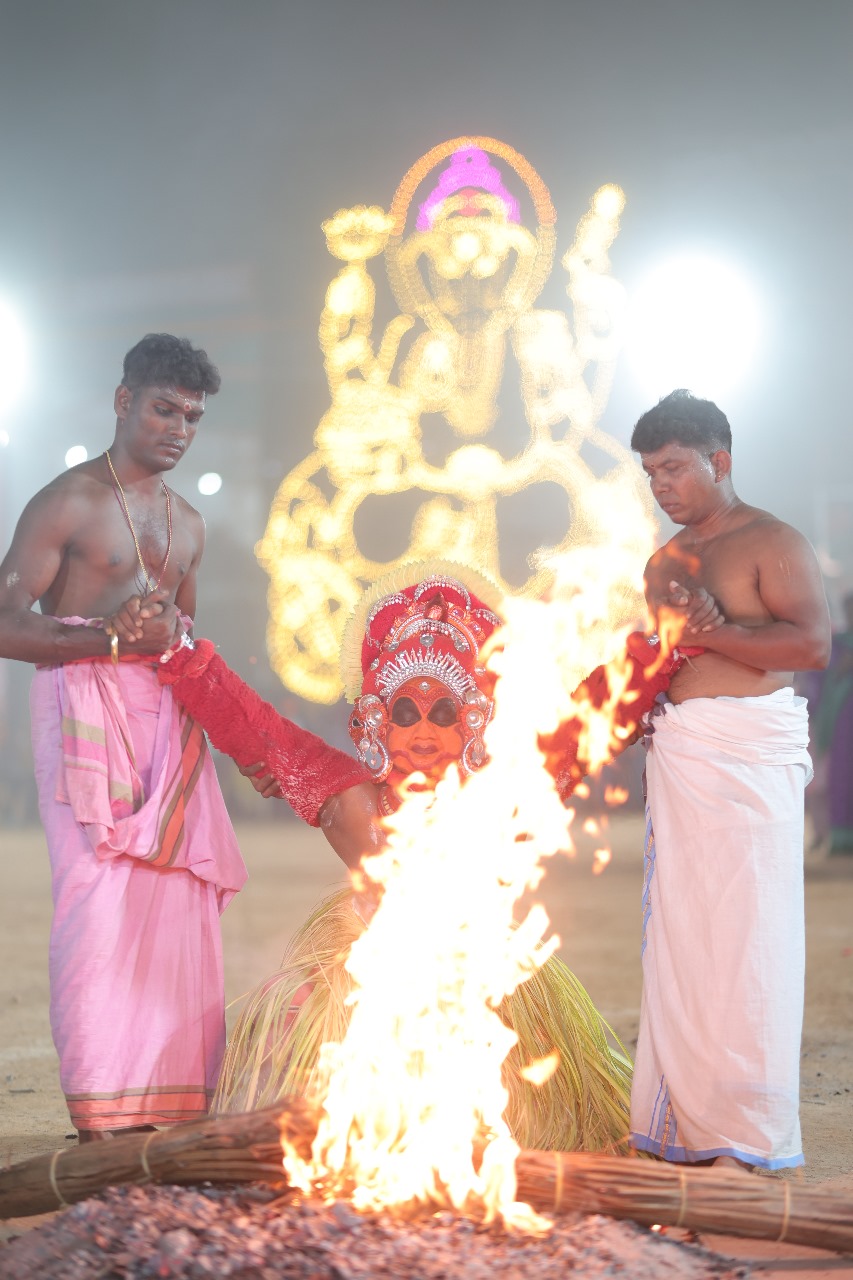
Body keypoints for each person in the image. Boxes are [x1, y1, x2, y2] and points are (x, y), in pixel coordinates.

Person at [152, 560, 698, 1153]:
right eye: (403, 713)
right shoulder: (349, 799)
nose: (420, 734)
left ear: (472, 722)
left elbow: (598, 710)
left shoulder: (508, 788)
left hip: (490, 998)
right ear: (374, 722)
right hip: (363, 998)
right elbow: (260, 731)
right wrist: (176, 653)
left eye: (442, 714)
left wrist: (671, 639)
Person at [0, 334, 252, 1142]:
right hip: (82, 709)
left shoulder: (190, 524)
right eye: (162, 409)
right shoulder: (67, 501)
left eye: (191, 417)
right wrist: (105, 641)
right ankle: (104, 1114)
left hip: (164, 723)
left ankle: (170, 1108)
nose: (178, 428)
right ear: (123, 402)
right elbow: (5, 623)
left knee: (177, 901)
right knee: (97, 904)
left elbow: (181, 639)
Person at [629, 388, 832, 1170]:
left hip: (748, 753)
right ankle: (682, 1118)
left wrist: (720, 631)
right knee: (682, 936)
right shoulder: (661, 563)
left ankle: (745, 1131)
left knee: (749, 937)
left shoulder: (771, 541)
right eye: (650, 474)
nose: (661, 486)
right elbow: (665, 661)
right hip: (683, 754)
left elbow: (810, 644)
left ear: (719, 461)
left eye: (674, 468)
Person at [812, 590, 853, 855]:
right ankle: (840, 840)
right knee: (841, 777)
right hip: (842, 723)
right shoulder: (836, 643)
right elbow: (817, 677)